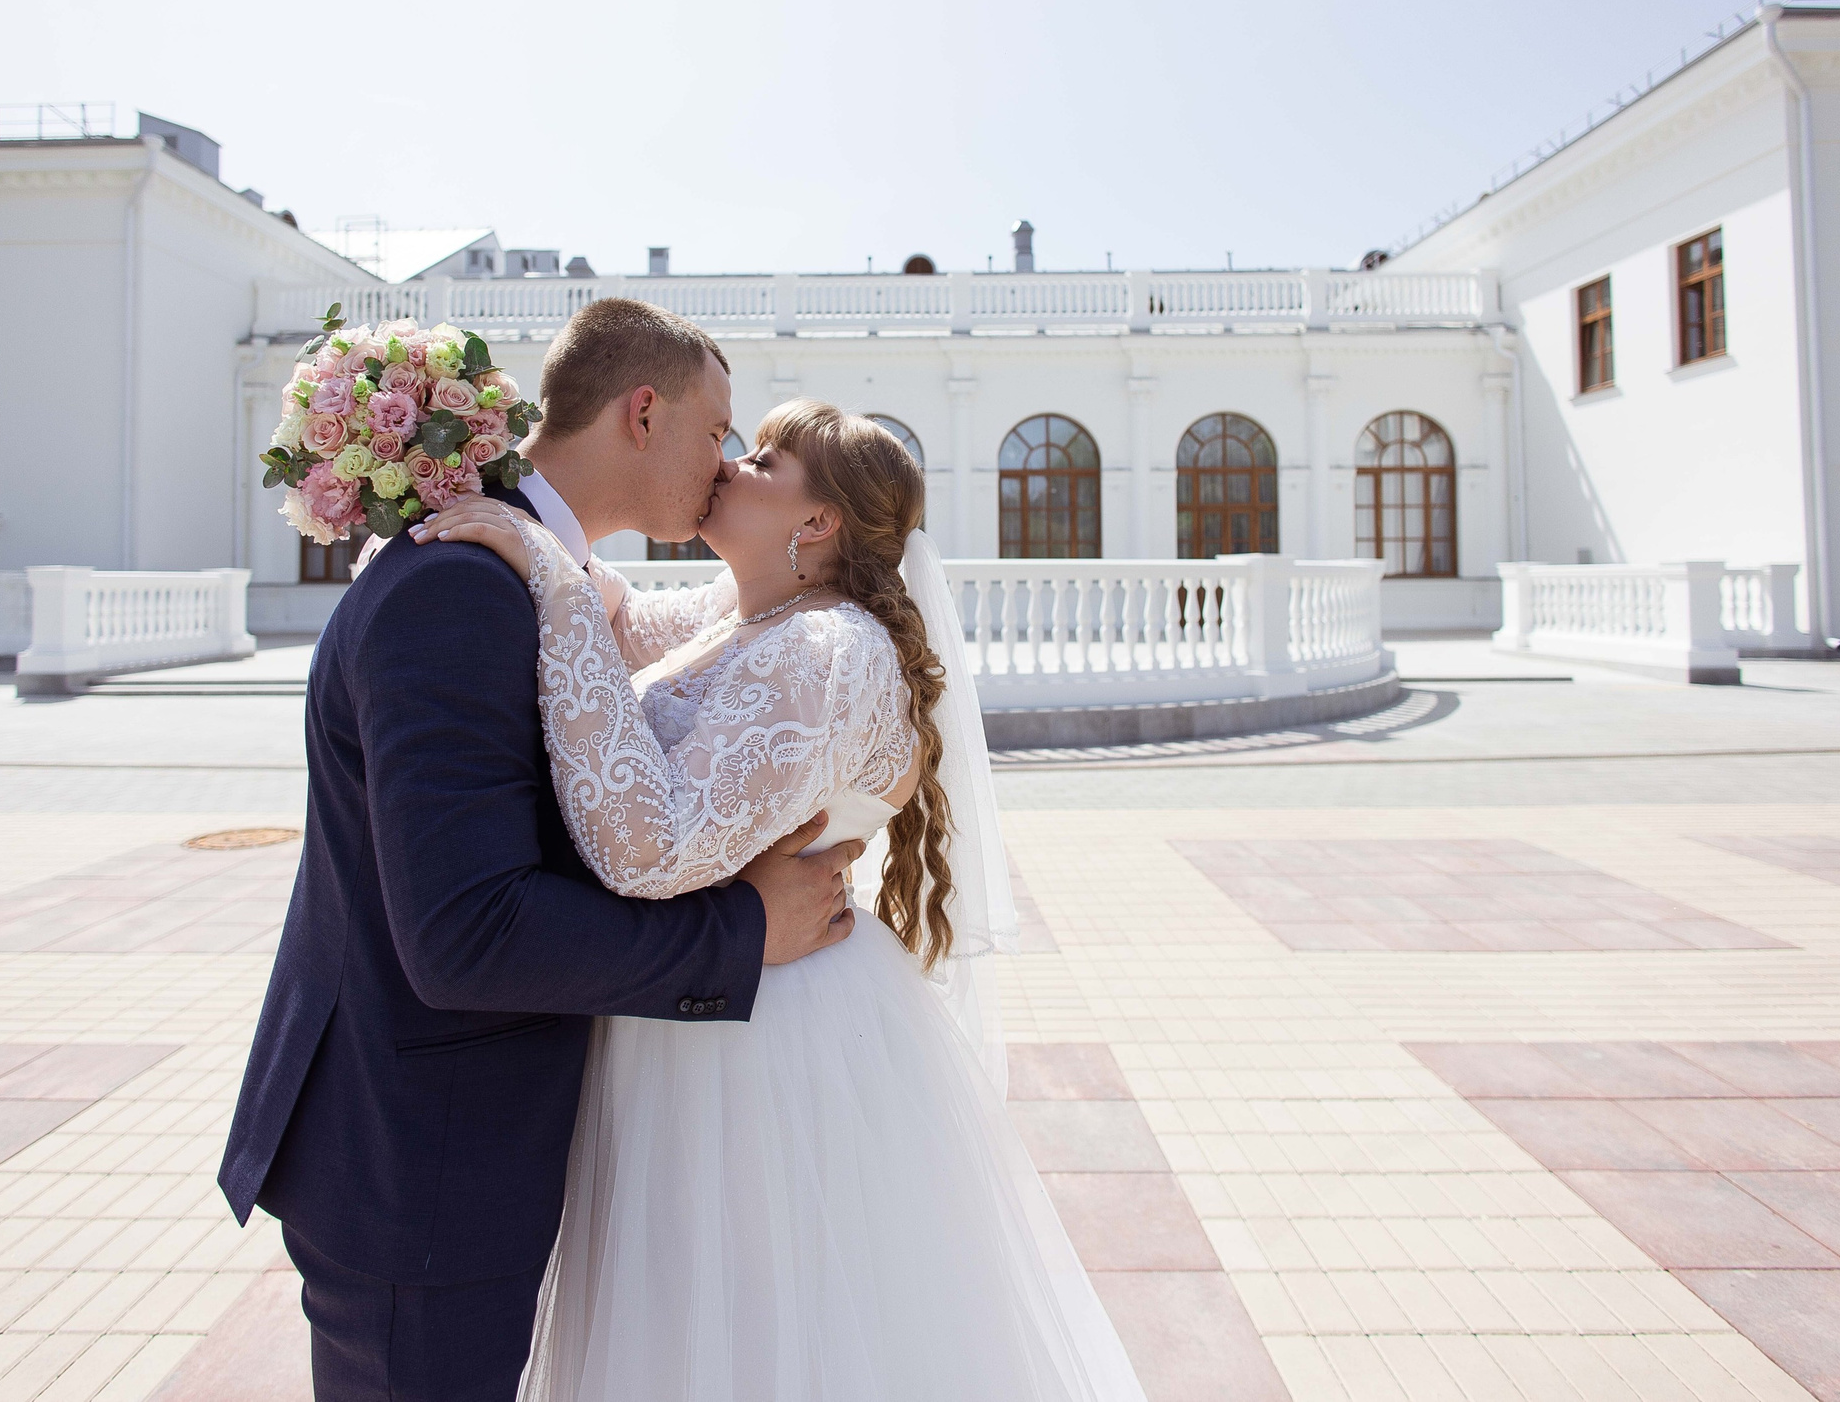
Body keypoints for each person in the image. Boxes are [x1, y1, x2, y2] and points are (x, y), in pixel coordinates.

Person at [420, 399, 1145, 1401]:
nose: (730, 462)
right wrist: (523, 527)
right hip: (704, 995)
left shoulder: (827, 651)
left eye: (764, 460)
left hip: (767, 1031)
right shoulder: (749, 613)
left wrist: (547, 577)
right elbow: (620, 626)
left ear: (819, 522)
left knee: (764, 1320)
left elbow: (653, 849)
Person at [218, 301, 865, 1402]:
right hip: (421, 1167)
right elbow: (467, 933)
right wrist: (744, 930)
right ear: (643, 413)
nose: (723, 463)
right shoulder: (461, 588)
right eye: (717, 431)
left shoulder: (521, 570)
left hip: (436, 1148)